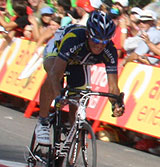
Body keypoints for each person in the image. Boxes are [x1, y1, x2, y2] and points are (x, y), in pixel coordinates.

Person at [34, 11, 125, 145]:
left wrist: (115, 104)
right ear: (88, 34)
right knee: (52, 74)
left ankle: (72, 142)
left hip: (79, 62)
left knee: (78, 99)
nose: (100, 45)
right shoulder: (75, 39)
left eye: (104, 42)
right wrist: (59, 95)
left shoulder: (110, 50)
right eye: (96, 40)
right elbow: (56, 74)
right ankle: (42, 121)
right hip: (58, 51)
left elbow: (113, 86)